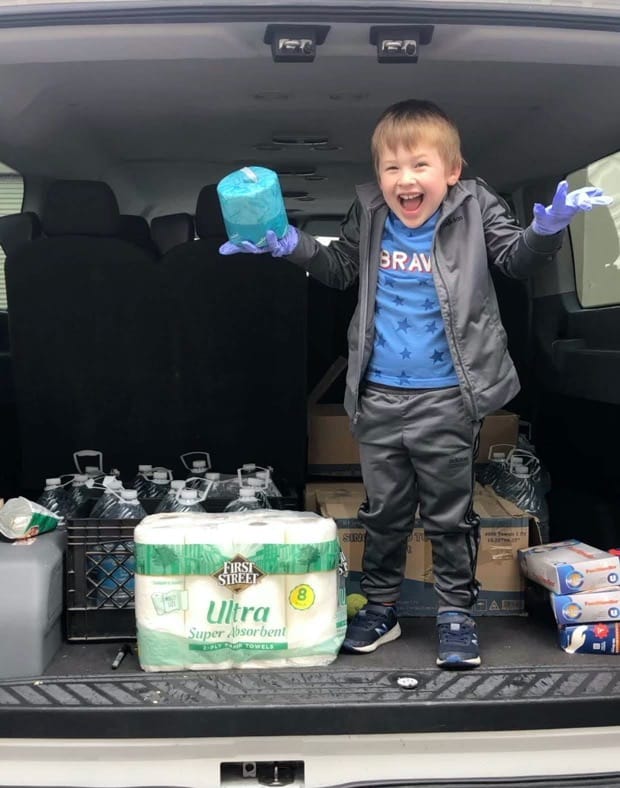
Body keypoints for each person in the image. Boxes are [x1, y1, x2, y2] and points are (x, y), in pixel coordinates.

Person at [219, 99, 612, 669]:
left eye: (420, 166)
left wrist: (546, 229)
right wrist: (289, 245)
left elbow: (514, 259)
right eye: (391, 168)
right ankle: (380, 608)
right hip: (377, 392)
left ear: (451, 171)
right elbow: (339, 270)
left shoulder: (476, 207)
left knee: (450, 513)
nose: (405, 180)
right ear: (378, 175)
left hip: (449, 394)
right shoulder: (370, 211)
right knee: (384, 511)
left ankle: (456, 613)